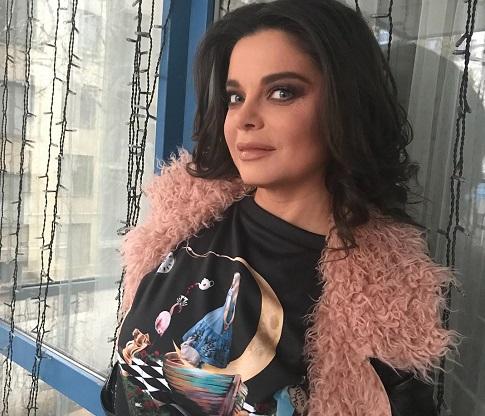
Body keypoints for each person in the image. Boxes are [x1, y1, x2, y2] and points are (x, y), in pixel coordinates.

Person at [101, 0, 459, 415]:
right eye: (235, 96)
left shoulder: (380, 301)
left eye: (282, 92)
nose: (245, 118)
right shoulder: (184, 219)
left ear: (344, 104)